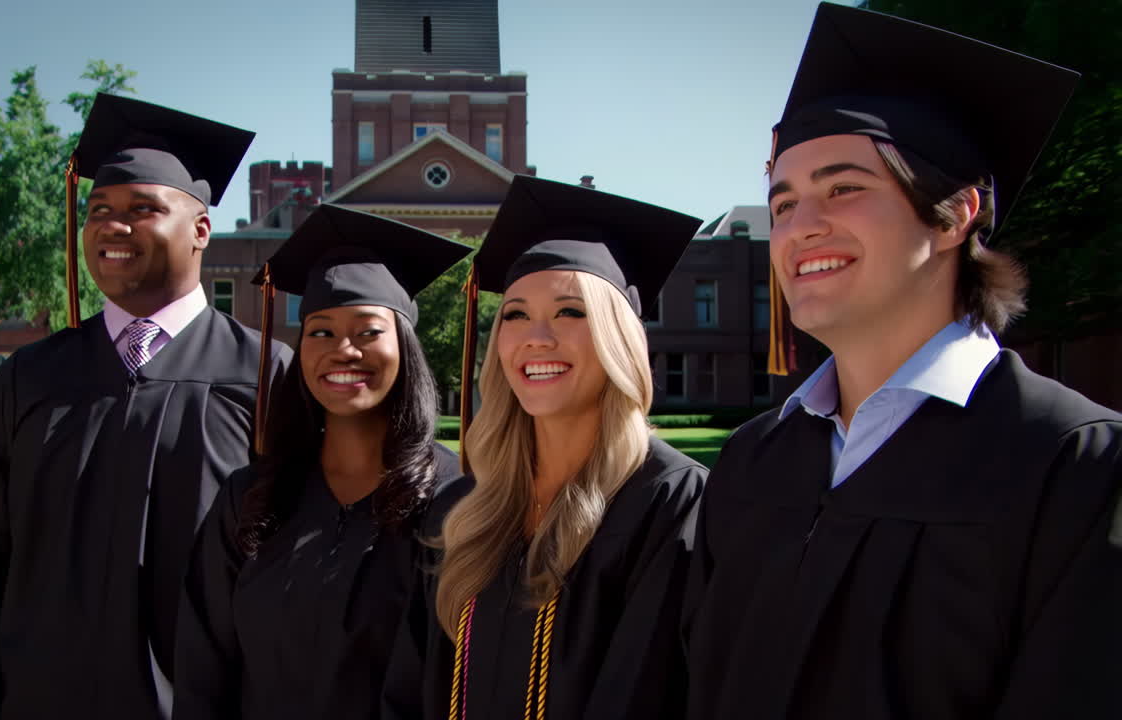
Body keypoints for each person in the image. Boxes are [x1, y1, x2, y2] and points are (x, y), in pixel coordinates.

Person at [683, 5, 1122, 719]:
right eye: (783, 203)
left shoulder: (1076, 467)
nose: (800, 227)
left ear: (953, 216)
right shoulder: (751, 463)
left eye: (843, 188)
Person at [0, 94, 292, 719]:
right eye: (100, 210)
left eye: (143, 209)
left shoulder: (266, 375)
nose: (114, 226)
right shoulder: (30, 378)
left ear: (200, 231)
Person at [382, 175, 708, 720]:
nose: (537, 336)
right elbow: (411, 686)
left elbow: (643, 696)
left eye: (570, 312)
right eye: (515, 314)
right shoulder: (463, 508)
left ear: (617, 339)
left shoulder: (669, 503)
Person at [172, 204, 470, 719]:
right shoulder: (251, 498)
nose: (343, 350)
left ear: (405, 347)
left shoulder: (454, 500)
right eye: (321, 332)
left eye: (368, 331)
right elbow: (204, 670)